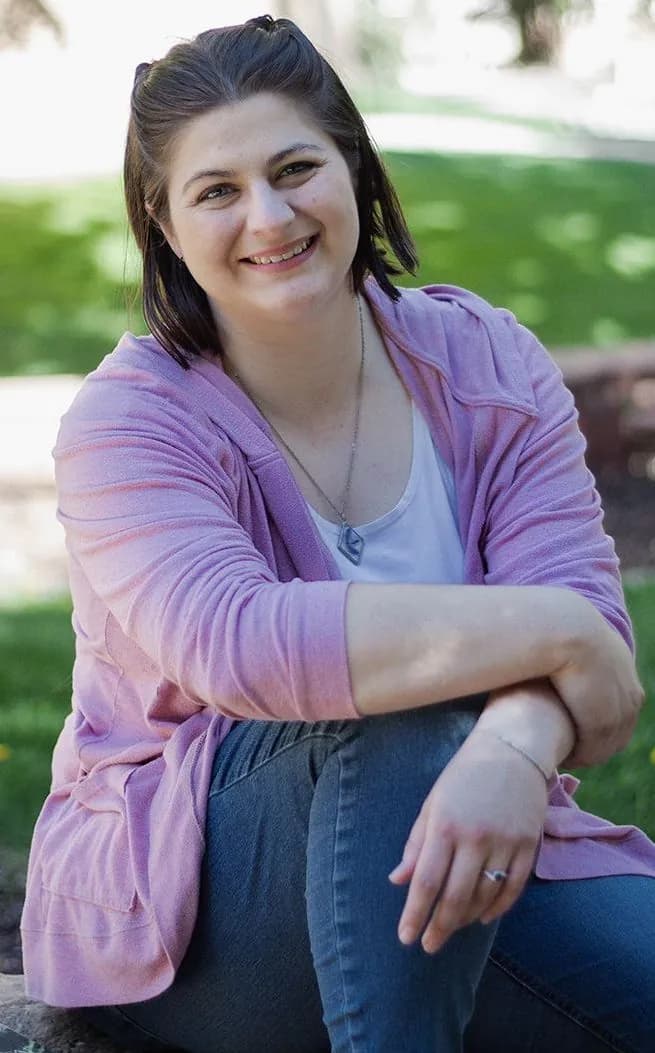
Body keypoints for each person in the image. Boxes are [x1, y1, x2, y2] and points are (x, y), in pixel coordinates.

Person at [20, 14, 655, 1053]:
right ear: (164, 224)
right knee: (389, 717)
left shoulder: (488, 365)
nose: (267, 217)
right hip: (188, 902)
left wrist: (512, 742)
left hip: (485, 831)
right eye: (216, 191)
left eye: (294, 168)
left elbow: (597, 666)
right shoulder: (131, 421)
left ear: (352, 168)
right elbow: (243, 642)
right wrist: (557, 635)